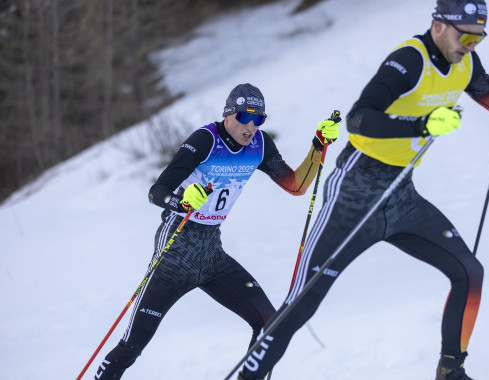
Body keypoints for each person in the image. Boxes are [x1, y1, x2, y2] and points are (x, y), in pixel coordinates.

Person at [236, 2, 489, 380]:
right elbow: (358, 120)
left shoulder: (465, 62)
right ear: (440, 25)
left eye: (480, 37)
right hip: (354, 194)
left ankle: (451, 371)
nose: (472, 45)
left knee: (469, 271)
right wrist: (422, 125)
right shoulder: (409, 61)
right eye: (466, 35)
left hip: (401, 195)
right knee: (303, 301)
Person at [93, 83, 341, 379]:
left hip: (211, 252)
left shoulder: (260, 145)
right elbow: (157, 191)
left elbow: (296, 185)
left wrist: (318, 145)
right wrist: (181, 201)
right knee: (133, 344)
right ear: (228, 115)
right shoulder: (205, 140)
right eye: (245, 117)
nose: (251, 126)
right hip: (176, 249)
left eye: (258, 119)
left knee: (270, 323)